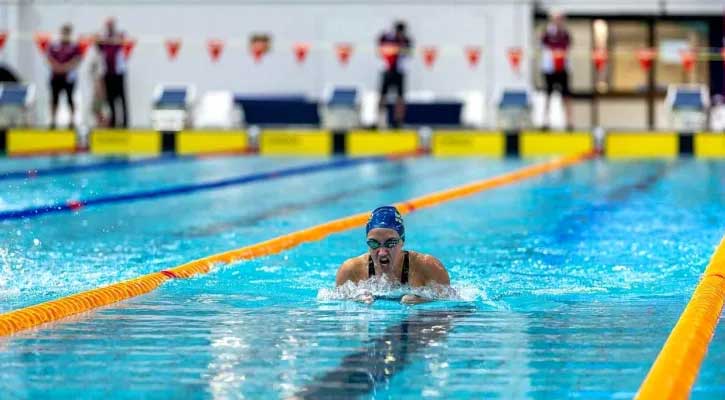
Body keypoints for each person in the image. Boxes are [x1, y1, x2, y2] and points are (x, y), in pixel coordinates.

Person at [335, 206, 450, 305]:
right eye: (374, 243)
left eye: (390, 243)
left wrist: (425, 301)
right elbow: (338, 309)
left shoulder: (428, 267)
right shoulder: (351, 271)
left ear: (402, 241)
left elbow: (449, 307)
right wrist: (354, 301)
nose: (382, 252)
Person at [540, 10, 573, 130]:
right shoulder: (547, 33)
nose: (558, 21)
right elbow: (543, 45)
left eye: (560, 19)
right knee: (548, 95)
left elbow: (567, 46)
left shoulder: (565, 34)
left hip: (563, 68)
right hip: (550, 69)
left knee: (566, 95)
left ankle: (569, 122)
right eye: (556, 19)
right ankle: (545, 121)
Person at [377, 21, 412, 129]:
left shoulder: (406, 40)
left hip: (400, 71)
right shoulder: (387, 38)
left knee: (400, 98)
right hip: (387, 69)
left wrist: (401, 49)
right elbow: (380, 47)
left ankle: (398, 121)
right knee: (383, 96)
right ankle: (381, 120)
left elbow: (408, 54)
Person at [47, 24, 81, 129]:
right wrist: (57, 67)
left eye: (67, 33)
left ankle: (72, 120)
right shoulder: (54, 46)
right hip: (55, 77)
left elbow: (77, 60)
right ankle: (53, 120)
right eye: (64, 32)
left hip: (68, 78)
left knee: (70, 99)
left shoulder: (74, 47)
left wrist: (65, 67)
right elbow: (49, 58)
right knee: (54, 99)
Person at [96, 17, 128, 128]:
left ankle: (125, 122)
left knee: (122, 98)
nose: (109, 27)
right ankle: (113, 121)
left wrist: (111, 37)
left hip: (118, 72)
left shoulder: (119, 35)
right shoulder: (104, 38)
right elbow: (97, 42)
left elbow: (123, 40)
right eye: (107, 25)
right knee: (110, 98)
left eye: (111, 25)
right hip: (108, 72)